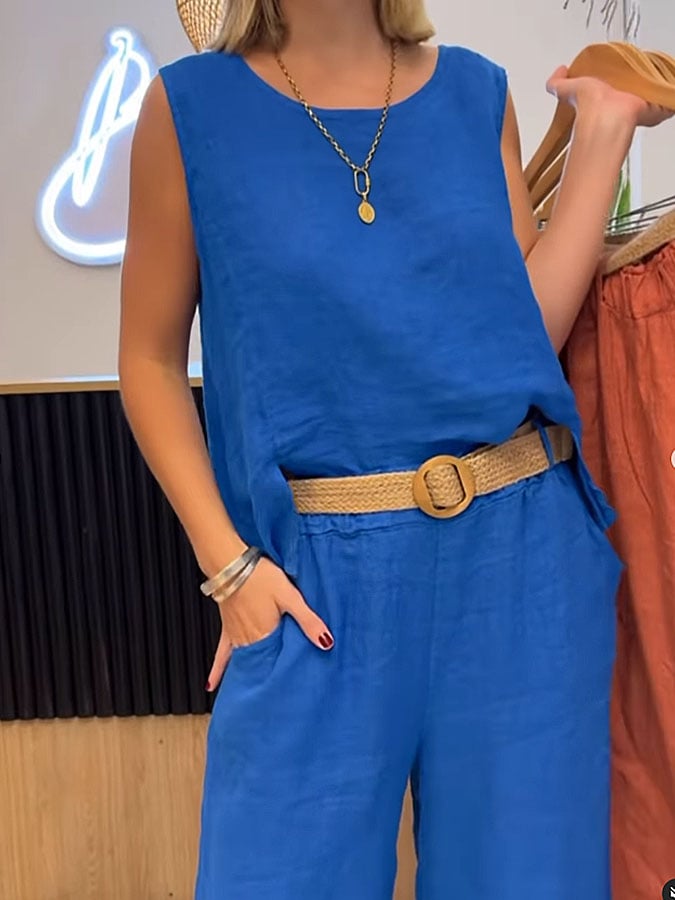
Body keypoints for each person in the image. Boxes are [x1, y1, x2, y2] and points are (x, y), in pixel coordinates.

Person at [117, 1, 673, 897]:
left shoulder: (475, 93)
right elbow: (147, 359)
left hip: (520, 561)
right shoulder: (188, 109)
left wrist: (601, 133)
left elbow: (520, 332)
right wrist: (229, 569)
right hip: (316, 582)